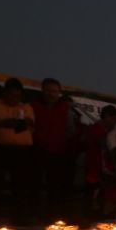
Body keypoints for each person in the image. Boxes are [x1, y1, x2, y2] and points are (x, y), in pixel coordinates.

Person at [0, 78, 35, 223]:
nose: (14, 99)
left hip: (21, 151)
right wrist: (2, 123)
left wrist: (17, 123)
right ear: (4, 93)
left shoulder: (25, 107)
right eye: (11, 95)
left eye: (17, 96)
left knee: (20, 185)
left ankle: (20, 217)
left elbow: (30, 122)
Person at [31, 78, 79, 220]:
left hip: (58, 152)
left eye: (55, 91)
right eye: (49, 90)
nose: (52, 94)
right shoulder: (33, 106)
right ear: (43, 90)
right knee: (34, 186)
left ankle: (51, 218)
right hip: (36, 151)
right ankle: (33, 215)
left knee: (54, 187)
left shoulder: (66, 109)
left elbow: (71, 131)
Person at [82, 105, 116, 218]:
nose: (115, 122)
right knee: (94, 199)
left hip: (101, 171)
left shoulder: (105, 131)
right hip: (96, 170)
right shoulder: (98, 131)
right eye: (114, 119)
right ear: (107, 117)